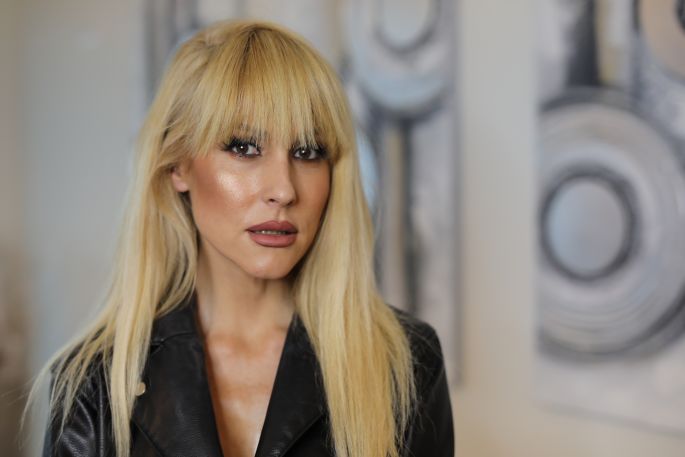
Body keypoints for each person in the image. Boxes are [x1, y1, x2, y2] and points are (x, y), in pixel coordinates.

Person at [31, 19, 454, 457]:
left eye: (308, 152)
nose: (284, 190)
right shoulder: (95, 383)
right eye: (244, 148)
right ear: (177, 166)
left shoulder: (405, 363)